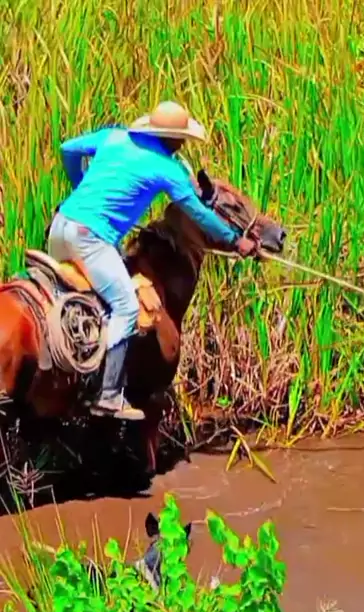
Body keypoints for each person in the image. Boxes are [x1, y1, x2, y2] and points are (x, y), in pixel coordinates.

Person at [48, 101, 257, 421]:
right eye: (181, 138)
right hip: (91, 239)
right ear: (171, 138)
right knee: (125, 307)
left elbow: (67, 149)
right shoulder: (167, 168)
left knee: (71, 296)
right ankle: (108, 396)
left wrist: (80, 184)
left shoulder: (114, 137)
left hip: (61, 228)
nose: (183, 144)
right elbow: (198, 214)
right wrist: (234, 240)